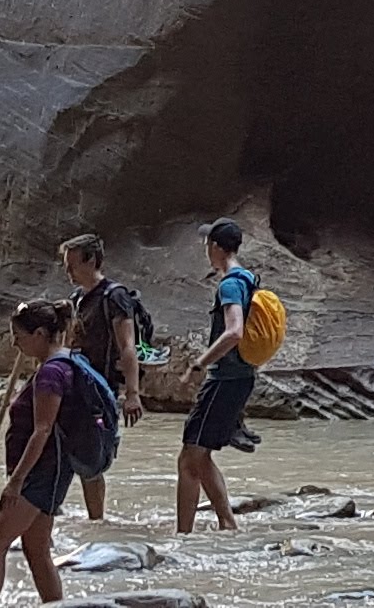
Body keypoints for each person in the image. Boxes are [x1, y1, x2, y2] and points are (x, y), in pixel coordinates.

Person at [0, 300, 84, 605]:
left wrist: (16, 481)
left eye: (19, 336)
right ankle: (55, 604)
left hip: (40, 474)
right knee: (36, 548)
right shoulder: (60, 364)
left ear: (40, 333)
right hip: (50, 472)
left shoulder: (52, 373)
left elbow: (42, 430)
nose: (14, 342)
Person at [168, 220, 261, 533]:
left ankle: (183, 535)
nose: (206, 249)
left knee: (188, 456)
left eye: (208, 244)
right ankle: (227, 524)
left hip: (225, 379)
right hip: (240, 377)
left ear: (217, 248)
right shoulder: (249, 278)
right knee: (201, 454)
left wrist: (199, 363)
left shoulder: (231, 284)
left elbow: (234, 331)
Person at [59, 235, 153, 520]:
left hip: (101, 390)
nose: (68, 272)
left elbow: (127, 347)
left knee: (91, 459)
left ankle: (96, 520)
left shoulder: (115, 297)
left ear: (91, 260)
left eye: (72, 265)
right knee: (62, 450)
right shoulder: (76, 299)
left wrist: (133, 394)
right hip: (74, 386)